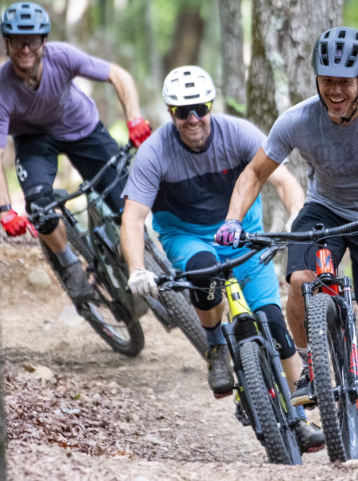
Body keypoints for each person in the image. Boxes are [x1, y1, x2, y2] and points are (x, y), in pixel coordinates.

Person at [215, 27, 358, 450]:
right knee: (301, 282)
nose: (335, 90)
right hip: (325, 209)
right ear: (316, 80)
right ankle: (312, 368)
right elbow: (254, 172)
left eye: (345, 81)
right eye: (327, 81)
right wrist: (233, 219)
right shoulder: (298, 120)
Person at [120, 65, 325, 452]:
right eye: (183, 112)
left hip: (242, 233)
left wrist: (297, 211)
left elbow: (282, 180)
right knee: (202, 275)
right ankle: (215, 345)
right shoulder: (154, 152)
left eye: (199, 108)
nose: (193, 119)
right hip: (186, 234)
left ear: (211, 105)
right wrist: (137, 269)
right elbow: (132, 217)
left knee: (275, 324)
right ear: (170, 114)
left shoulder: (239, 134)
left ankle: (300, 419)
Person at [0, 2, 151, 305]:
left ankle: (133, 251)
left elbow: (118, 75)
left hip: (82, 127)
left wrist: (135, 118)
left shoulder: (63, 57)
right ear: (6, 43)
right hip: (34, 141)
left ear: (43, 42)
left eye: (32, 40)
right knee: (41, 210)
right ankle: (69, 264)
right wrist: (5, 210)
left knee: (125, 199)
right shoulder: (0, 91)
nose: (25, 48)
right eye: (17, 41)